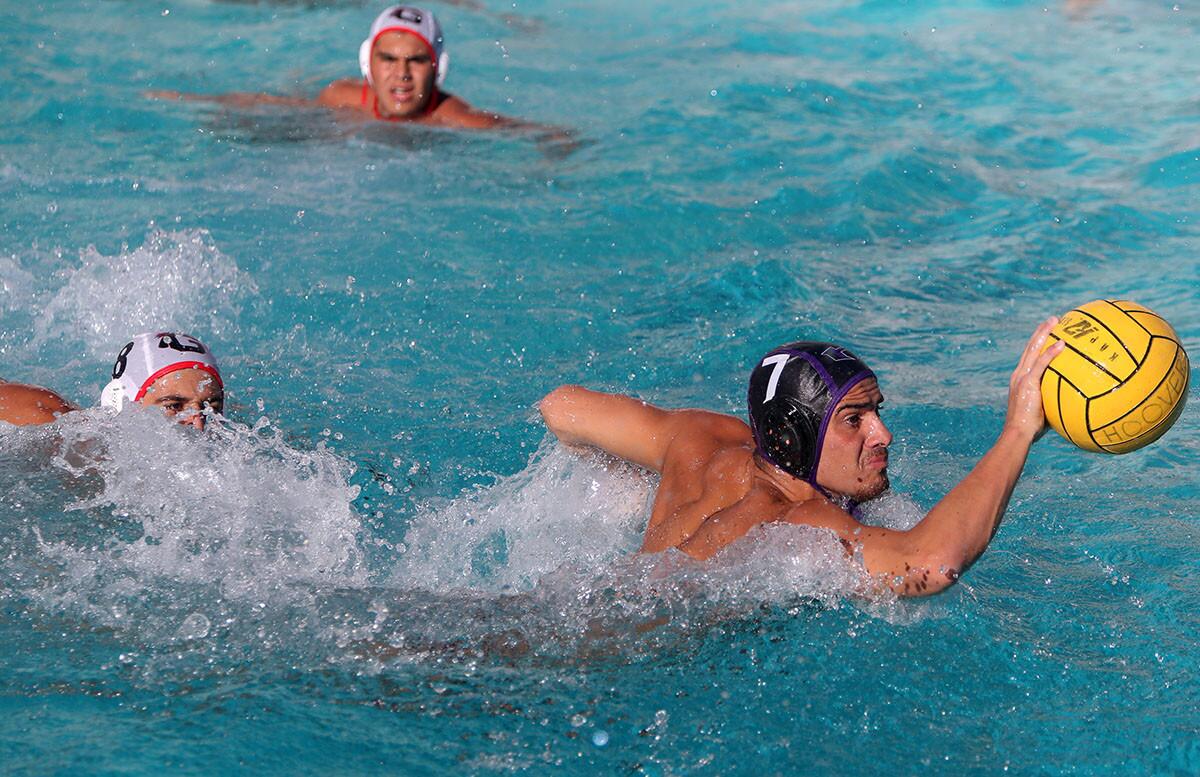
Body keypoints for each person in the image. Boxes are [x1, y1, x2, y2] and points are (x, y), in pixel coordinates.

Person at [539, 318, 1066, 597]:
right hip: (601, 660)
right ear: (792, 438)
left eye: (877, 412)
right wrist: (1018, 431)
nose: (883, 434)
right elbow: (929, 565)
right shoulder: (797, 520)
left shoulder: (701, 437)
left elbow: (562, 407)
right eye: (854, 420)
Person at [148, 5, 558, 132]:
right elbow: (275, 106)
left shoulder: (453, 118)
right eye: (389, 59)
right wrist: (192, 102)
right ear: (368, 65)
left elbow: (521, 130)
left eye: (416, 61)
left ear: (438, 70)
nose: (401, 74)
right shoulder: (342, 98)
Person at [0, 332, 224, 430]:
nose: (198, 424)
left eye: (209, 408)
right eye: (173, 406)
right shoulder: (54, 426)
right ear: (123, 401)